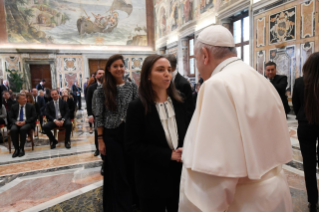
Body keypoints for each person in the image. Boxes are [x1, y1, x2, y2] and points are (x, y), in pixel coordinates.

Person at [178, 25, 293, 212]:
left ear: (205, 55)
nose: (198, 68)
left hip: (244, 202)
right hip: (275, 194)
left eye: (197, 59)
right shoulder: (260, 79)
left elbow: (216, 176)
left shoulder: (216, 85)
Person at [125, 55, 190, 212]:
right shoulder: (137, 107)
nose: (167, 74)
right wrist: (167, 155)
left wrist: (185, 148)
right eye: (160, 70)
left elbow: (188, 132)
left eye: (168, 69)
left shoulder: (179, 101)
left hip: (179, 175)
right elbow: (132, 146)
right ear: (148, 75)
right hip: (151, 179)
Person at [95, 54, 138, 212]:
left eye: (121, 65)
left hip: (129, 133)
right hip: (111, 133)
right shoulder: (101, 91)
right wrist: (100, 140)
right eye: (115, 66)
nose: (119, 69)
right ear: (109, 69)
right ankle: (119, 205)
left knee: (130, 167)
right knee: (116, 170)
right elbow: (98, 116)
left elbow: (137, 110)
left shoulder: (132, 87)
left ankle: (132, 201)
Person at [292, 52, 319, 212]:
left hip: (305, 126)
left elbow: (296, 105)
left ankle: (313, 202)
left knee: (309, 166)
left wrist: (303, 117)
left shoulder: (300, 82)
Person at [9, 93, 37, 158]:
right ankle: (16, 149)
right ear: (18, 100)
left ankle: (22, 149)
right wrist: (15, 122)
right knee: (13, 130)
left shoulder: (31, 106)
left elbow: (34, 117)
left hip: (27, 123)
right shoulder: (14, 106)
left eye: (25, 98)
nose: (25, 100)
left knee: (23, 129)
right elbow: (10, 117)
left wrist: (25, 122)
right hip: (17, 122)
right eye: (23, 99)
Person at [86, 69, 105, 155]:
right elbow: (88, 102)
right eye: (99, 73)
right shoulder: (91, 87)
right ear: (96, 75)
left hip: (106, 113)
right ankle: (97, 148)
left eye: (103, 74)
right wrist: (90, 115)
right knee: (97, 132)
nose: (101, 75)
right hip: (96, 113)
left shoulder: (108, 86)